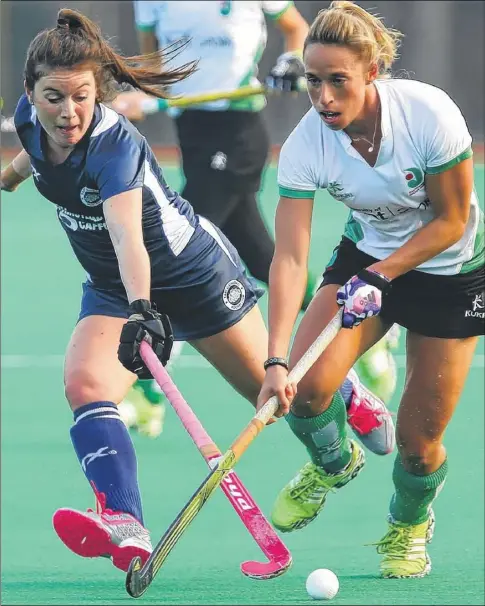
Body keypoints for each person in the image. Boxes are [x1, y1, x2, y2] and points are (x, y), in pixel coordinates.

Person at [1, 8, 394, 574]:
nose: (68, 113)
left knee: (275, 393)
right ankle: (125, 520)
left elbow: (128, 237)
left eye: (81, 97)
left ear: (99, 93)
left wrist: (143, 310)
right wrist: (8, 178)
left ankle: (345, 399)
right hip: (113, 288)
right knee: (85, 384)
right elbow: (33, 156)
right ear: (30, 96)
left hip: (194, 277)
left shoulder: (114, 148)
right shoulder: (34, 125)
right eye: (53, 98)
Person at [257, 0, 484, 580]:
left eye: (339, 81)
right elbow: (289, 255)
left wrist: (382, 276)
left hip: (451, 272)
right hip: (367, 256)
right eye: (313, 82)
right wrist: (277, 358)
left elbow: (451, 221)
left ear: (372, 73)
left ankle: (408, 523)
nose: (324, 98)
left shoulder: (428, 114)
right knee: (304, 392)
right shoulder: (308, 143)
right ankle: (333, 464)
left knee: (417, 441)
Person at [113, 0, 399, 434]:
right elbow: (156, 63)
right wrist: (141, 95)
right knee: (258, 250)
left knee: (177, 248)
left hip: (239, 131)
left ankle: (149, 390)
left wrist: (289, 63)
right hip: (192, 131)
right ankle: (353, 320)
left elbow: (296, 29)